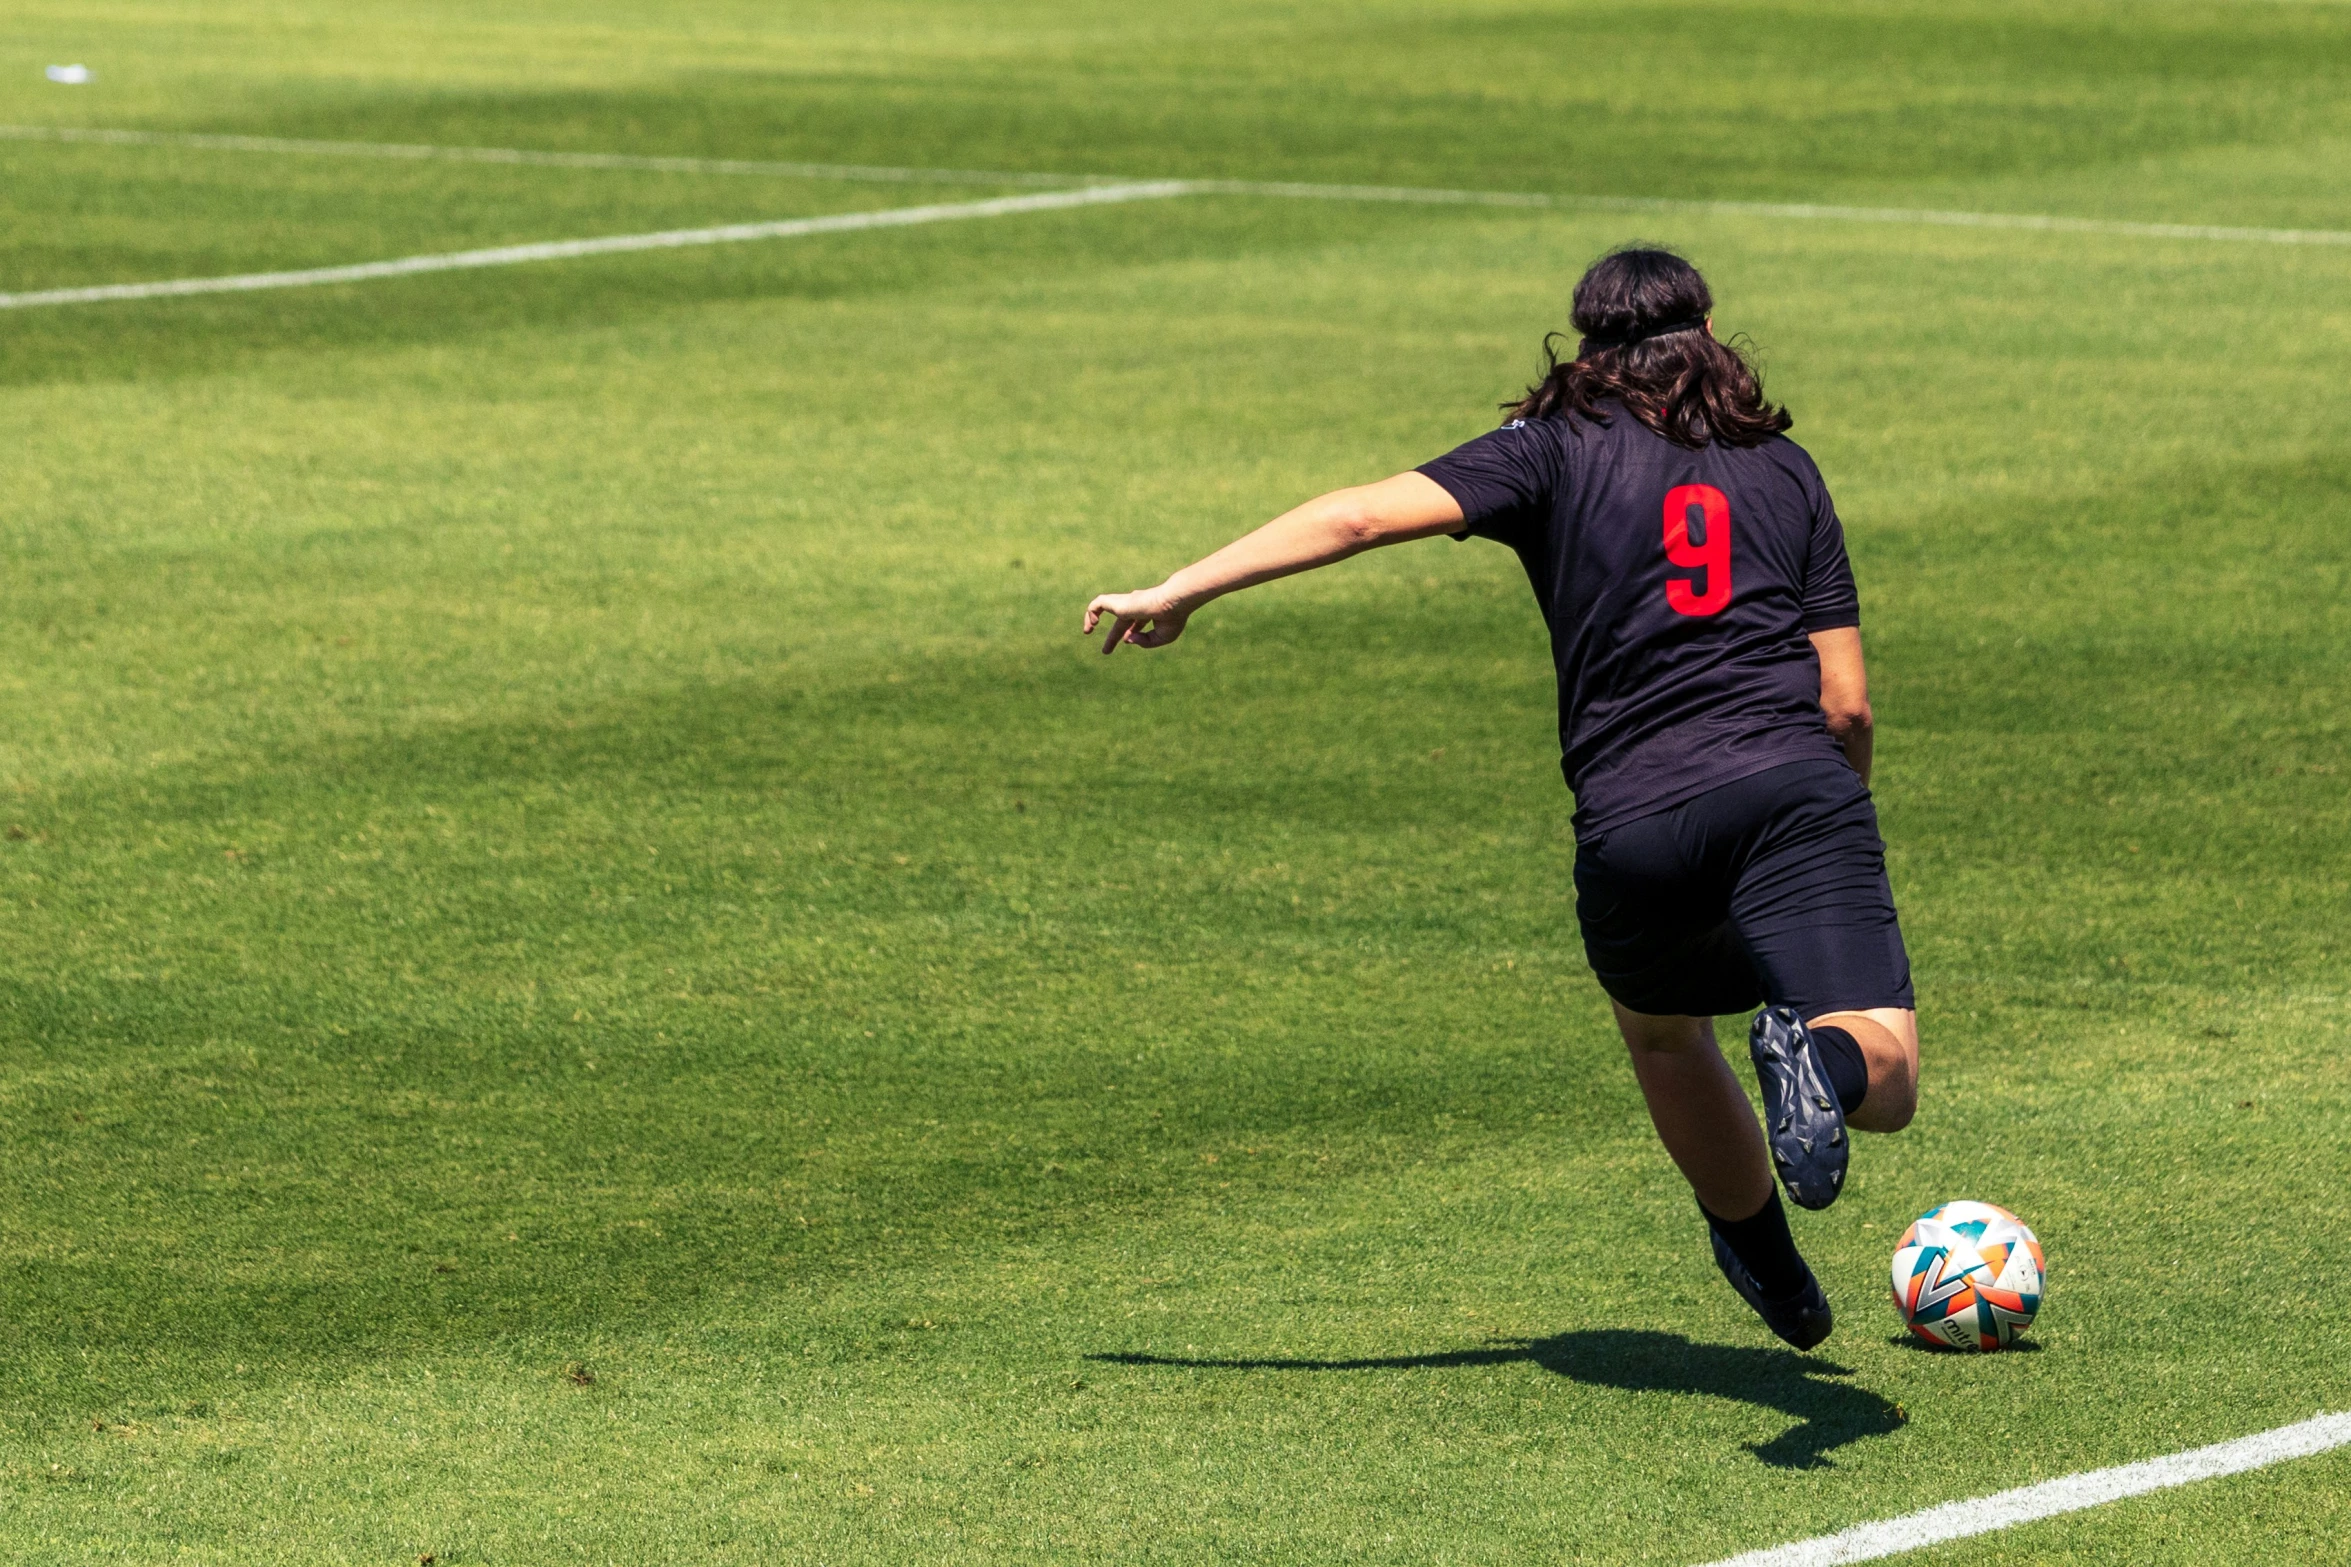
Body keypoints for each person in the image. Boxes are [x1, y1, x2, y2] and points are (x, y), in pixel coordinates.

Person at [1081, 246, 1919, 1350]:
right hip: (1791, 790)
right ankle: (1813, 1060)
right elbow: (1845, 703)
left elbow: (1358, 517)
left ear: (1586, 345)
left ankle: (1771, 1270)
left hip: (1633, 822)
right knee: (1885, 1077)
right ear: (1708, 335)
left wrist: (1180, 586)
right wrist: (1834, 824)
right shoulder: (1785, 469)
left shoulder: (1550, 449)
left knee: (1663, 1034)